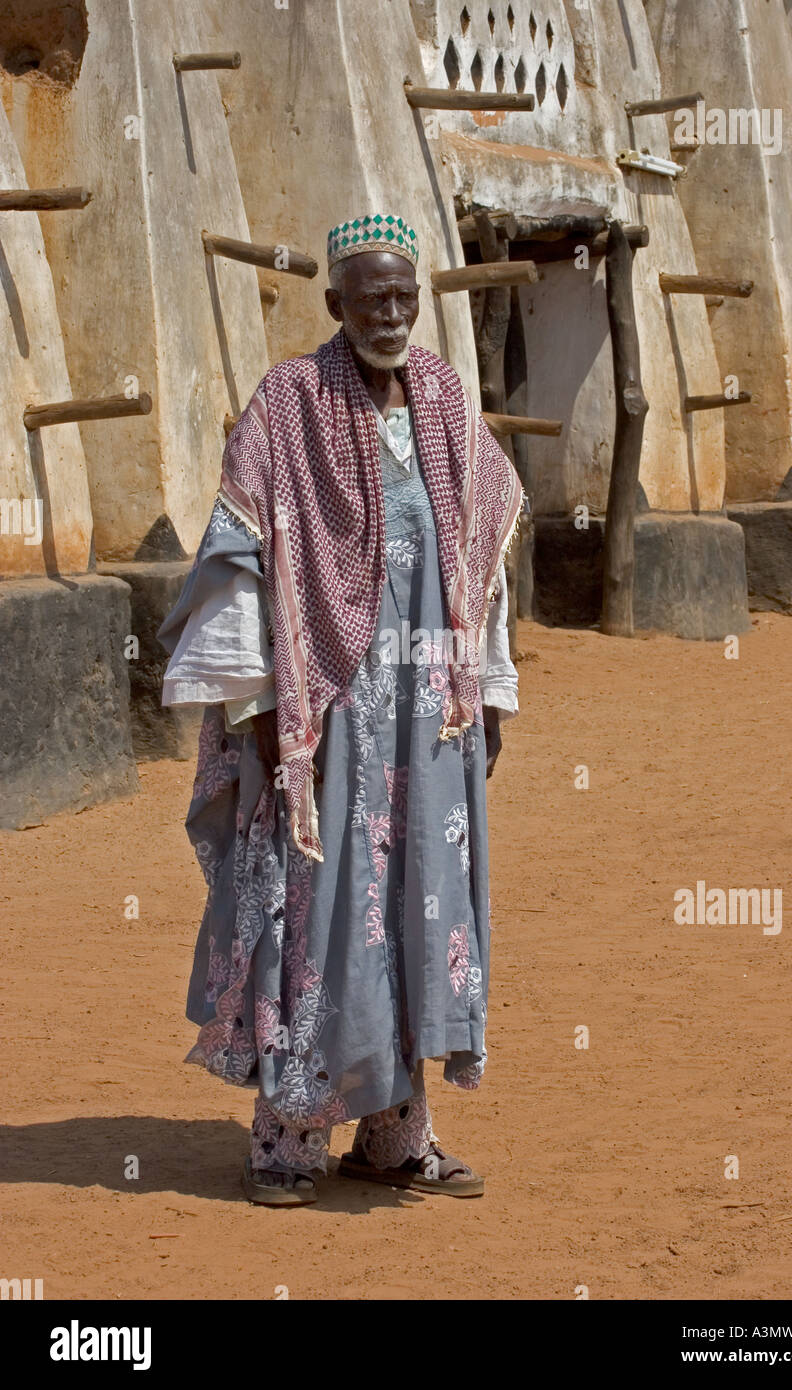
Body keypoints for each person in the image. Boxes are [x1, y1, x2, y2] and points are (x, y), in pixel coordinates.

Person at [158, 211, 524, 1206]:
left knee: (420, 903)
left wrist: (487, 688)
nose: (392, 315)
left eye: (405, 297)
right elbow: (238, 558)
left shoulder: (446, 398)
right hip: (328, 717)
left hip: (429, 719)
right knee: (320, 916)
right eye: (371, 299)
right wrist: (267, 707)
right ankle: (284, 1141)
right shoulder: (286, 402)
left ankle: (398, 1136)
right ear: (334, 305)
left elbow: (482, 551)